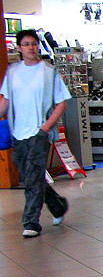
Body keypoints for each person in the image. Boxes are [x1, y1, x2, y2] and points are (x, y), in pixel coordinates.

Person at [0, 29, 71, 238]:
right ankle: (57, 206)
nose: (31, 47)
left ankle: (31, 222)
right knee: (31, 176)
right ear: (19, 48)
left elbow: (61, 103)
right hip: (18, 133)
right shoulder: (13, 72)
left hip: (39, 133)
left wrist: (46, 127)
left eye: (34, 43)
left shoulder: (49, 72)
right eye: (26, 44)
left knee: (32, 178)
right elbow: (5, 101)